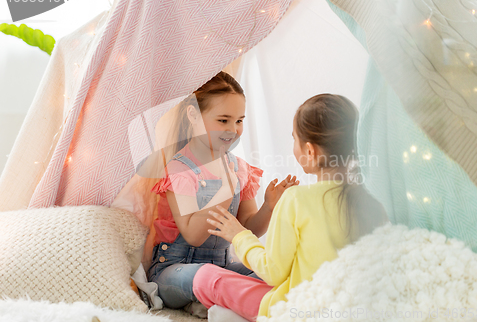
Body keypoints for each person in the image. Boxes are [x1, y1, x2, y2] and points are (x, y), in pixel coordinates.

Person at [192, 94, 389, 321]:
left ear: (310, 151)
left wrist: (239, 235)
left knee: (205, 277)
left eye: (294, 139)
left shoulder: (296, 199)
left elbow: (272, 272)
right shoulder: (374, 203)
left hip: (297, 311)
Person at [147, 71, 299, 314]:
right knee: (209, 276)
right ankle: (281, 310)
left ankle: (281, 299)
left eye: (239, 121)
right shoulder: (180, 169)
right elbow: (193, 235)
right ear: (193, 116)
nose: (233, 129)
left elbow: (247, 227)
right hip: (174, 270)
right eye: (223, 120)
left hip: (222, 265)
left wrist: (269, 207)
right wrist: (224, 188)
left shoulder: (240, 168)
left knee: (274, 272)